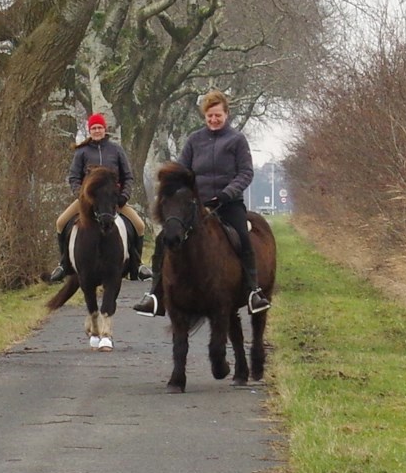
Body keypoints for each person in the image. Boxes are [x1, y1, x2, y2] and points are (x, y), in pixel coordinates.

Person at [136, 90, 266, 317]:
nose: (214, 120)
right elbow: (181, 171)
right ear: (204, 117)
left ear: (226, 114)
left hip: (228, 204)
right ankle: (155, 294)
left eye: (218, 115)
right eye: (209, 116)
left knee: (243, 238)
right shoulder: (194, 140)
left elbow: (245, 173)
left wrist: (227, 193)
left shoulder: (236, 140)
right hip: (197, 206)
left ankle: (253, 291)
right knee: (162, 239)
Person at [52, 113, 146, 282]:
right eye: (93, 128)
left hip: (113, 200)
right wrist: (80, 196)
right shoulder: (82, 152)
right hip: (88, 201)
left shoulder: (116, 150)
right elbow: (74, 177)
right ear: (90, 131)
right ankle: (64, 264)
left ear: (105, 129)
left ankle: (137, 265)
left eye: (99, 128)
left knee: (139, 225)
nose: (97, 131)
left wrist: (123, 196)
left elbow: (128, 176)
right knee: (60, 223)